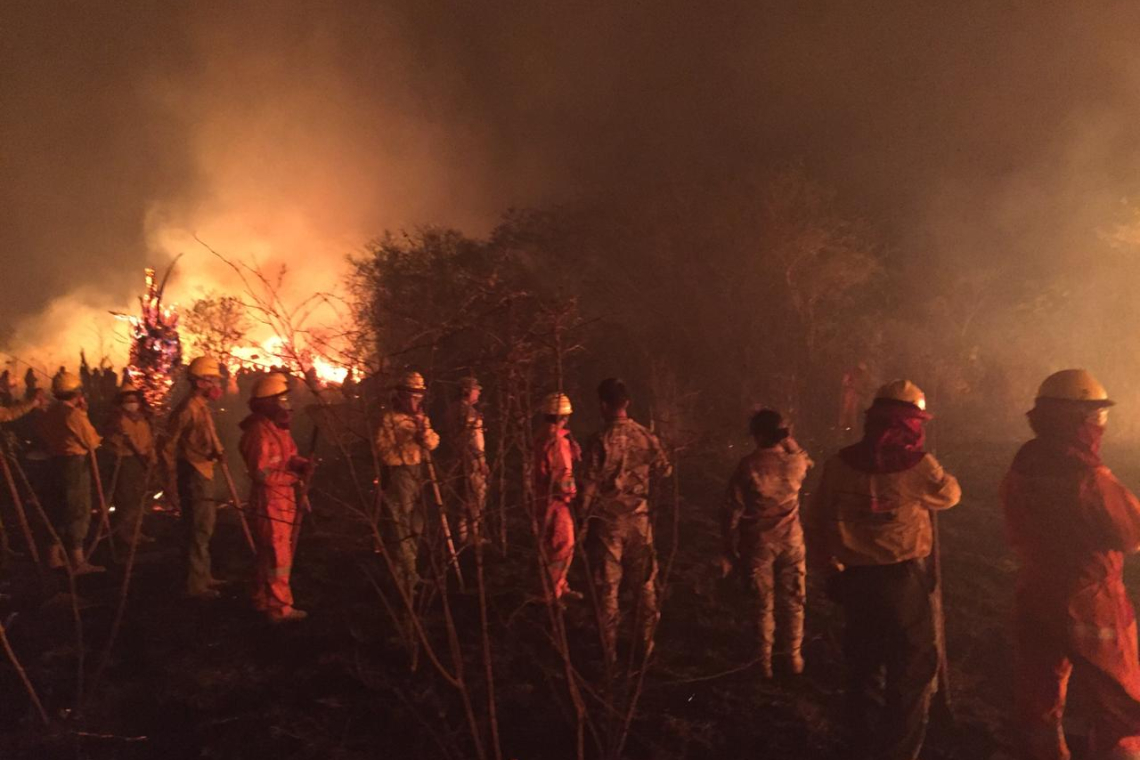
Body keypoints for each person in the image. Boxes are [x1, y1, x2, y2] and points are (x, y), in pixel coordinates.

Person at [809, 379, 961, 760]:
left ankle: (860, 747)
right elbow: (950, 495)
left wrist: (827, 569)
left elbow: (816, 522)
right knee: (910, 673)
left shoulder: (838, 465)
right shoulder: (918, 466)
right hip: (902, 581)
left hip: (853, 579)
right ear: (910, 424)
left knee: (862, 669)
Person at [1002, 369, 1140, 760]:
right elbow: (1131, 534)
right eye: (1095, 415)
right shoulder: (1091, 478)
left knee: (1039, 706)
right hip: (1091, 600)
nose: (1100, 424)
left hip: (1034, 596)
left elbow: (1014, 530)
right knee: (1121, 709)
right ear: (1076, 420)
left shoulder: (1021, 468)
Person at [581, 378, 671, 661]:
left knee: (607, 587)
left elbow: (588, 485)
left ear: (603, 405)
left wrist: (582, 519)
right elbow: (664, 470)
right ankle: (645, 643)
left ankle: (608, 651)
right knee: (644, 583)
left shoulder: (599, 440)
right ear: (627, 403)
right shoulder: (646, 436)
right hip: (640, 520)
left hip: (608, 522)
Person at [722, 408, 812, 678]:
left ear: (758, 435)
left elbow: (731, 509)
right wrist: (789, 440)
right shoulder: (796, 463)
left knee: (762, 603)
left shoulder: (749, 465)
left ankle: (764, 663)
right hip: (792, 540)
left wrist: (729, 546)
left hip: (758, 542)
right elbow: (806, 459)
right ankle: (794, 657)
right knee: (794, 599)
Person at [240, 372, 313, 623]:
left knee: (268, 555)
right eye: (281, 399)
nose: (287, 405)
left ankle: (262, 599)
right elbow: (261, 473)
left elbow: (288, 456)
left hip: (283, 499)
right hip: (269, 501)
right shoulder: (258, 433)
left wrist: (302, 464)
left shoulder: (278, 428)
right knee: (277, 556)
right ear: (268, 402)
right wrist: (293, 478)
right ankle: (280, 608)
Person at [164, 356, 227, 598]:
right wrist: (170, 477)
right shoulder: (188, 408)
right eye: (212, 380)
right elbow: (168, 445)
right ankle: (195, 585)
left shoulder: (200, 406)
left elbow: (208, 434)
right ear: (200, 382)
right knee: (199, 528)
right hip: (194, 472)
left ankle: (204, 575)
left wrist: (218, 451)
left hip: (203, 469)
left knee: (205, 526)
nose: (216, 385)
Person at [375, 371, 439, 597]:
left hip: (418, 472)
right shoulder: (389, 419)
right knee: (399, 523)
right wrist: (403, 450)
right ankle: (404, 581)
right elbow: (383, 452)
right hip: (399, 474)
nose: (415, 401)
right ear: (401, 396)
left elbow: (432, 443)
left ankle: (411, 574)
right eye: (411, 396)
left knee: (416, 524)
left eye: (418, 397)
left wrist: (423, 431)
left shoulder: (421, 419)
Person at [37, 371, 105, 573]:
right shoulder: (73, 414)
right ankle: (78, 561)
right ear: (77, 392)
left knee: (58, 508)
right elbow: (91, 440)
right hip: (74, 465)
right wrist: (83, 414)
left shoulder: (50, 412)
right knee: (78, 510)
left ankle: (54, 557)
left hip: (55, 462)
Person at [533, 391, 580, 602]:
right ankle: (552, 594)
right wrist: (573, 494)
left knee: (549, 545)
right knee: (562, 544)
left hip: (542, 498)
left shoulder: (542, 435)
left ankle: (557, 586)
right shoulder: (557, 441)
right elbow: (562, 476)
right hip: (556, 501)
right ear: (564, 416)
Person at [106, 378, 157, 544]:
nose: (131, 404)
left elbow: (149, 442)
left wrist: (152, 459)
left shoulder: (143, 420)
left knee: (139, 498)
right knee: (125, 498)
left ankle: (137, 531)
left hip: (142, 462)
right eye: (127, 401)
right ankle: (125, 534)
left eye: (133, 400)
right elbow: (111, 442)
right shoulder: (116, 421)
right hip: (125, 461)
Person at [451, 376, 489, 545]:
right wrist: (481, 461)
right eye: (476, 389)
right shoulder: (470, 413)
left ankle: (461, 536)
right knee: (475, 496)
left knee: (460, 497)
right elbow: (475, 439)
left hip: (456, 459)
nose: (479, 392)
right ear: (467, 391)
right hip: (471, 460)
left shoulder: (452, 410)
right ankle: (473, 537)